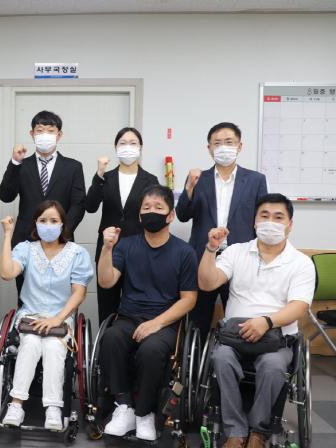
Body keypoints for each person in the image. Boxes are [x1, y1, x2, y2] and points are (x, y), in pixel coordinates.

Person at [198, 193, 315, 448]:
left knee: (273, 367)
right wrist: (211, 249)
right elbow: (207, 283)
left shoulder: (301, 263)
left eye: (278, 217)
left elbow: (299, 306)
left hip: (277, 340)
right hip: (233, 337)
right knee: (221, 358)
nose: (270, 222)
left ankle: (259, 432)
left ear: (289, 225)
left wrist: (267, 322)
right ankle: (235, 431)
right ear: (254, 221)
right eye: (264, 215)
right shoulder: (236, 252)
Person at [97, 185, 198, 441]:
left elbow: (189, 300)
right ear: (140, 215)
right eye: (146, 208)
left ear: (171, 215)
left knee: (151, 350)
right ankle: (124, 407)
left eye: (158, 207)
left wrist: (156, 323)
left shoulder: (185, 252)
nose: (151, 212)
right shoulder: (126, 246)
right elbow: (106, 282)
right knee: (111, 338)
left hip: (165, 322)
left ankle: (144, 413)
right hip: (128, 317)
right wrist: (107, 248)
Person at [0, 200, 93, 430]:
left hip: (61, 318)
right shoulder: (26, 249)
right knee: (30, 344)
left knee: (53, 347)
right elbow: (7, 273)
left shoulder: (77, 253)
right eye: (43, 220)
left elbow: (79, 292)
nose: (48, 225)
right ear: (35, 224)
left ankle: (53, 407)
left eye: (53, 220)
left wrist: (57, 319)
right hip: (30, 316)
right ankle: (16, 404)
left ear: (62, 224)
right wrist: (8, 235)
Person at [176, 122, 268, 343]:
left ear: (239, 146)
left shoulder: (255, 180)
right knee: (198, 319)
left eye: (229, 142)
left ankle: (231, 359)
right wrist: (189, 188)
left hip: (240, 259)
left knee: (238, 319)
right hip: (203, 257)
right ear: (209, 148)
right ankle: (196, 360)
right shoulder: (198, 178)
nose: (223, 147)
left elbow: (262, 219)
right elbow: (182, 215)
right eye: (217, 143)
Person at [0, 110, 86, 297]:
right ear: (32, 134)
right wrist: (14, 163)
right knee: (26, 296)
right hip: (26, 240)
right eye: (40, 130)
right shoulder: (21, 165)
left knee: (62, 295)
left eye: (50, 131)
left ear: (59, 135)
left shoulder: (73, 166)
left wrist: (61, 231)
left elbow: (78, 205)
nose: (45, 135)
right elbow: (5, 195)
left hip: (61, 242)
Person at [85, 127, 159, 324]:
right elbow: (90, 207)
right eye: (123, 143)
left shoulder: (150, 180)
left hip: (139, 248)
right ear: (116, 147)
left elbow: (154, 216)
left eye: (133, 143)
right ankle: (105, 340)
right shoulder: (105, 177)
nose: (128, 147)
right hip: (108, 248)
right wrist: (99, 175)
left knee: (136, 304)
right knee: (107, 304)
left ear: (140, 147)